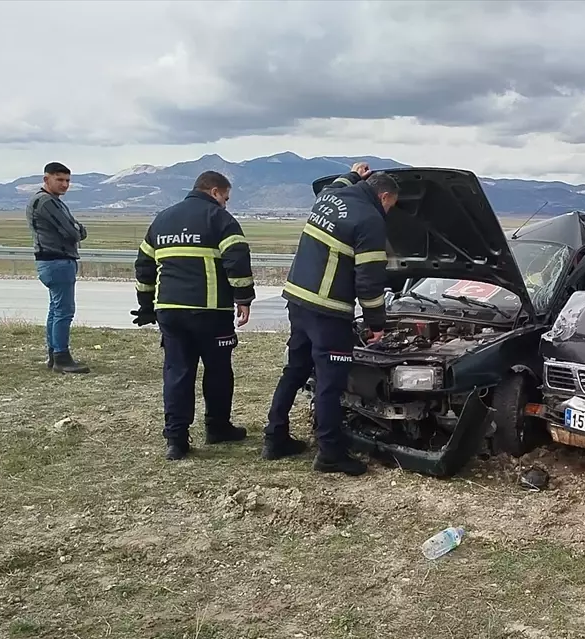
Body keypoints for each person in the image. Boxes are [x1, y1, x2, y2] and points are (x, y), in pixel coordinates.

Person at [263, 162, 397, 476]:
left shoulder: (329, 196)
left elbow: (338, 184)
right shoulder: (370, 219)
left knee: (295, 370)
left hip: (298, 301)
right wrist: (377, 324)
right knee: (329, 384)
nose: (389, 212)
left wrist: (352, 173)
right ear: (384, 196)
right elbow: (369, 282)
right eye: (391, 206)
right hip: (327, 311)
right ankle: (330, 454)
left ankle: (274, 437)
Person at [132, 171, 256, 460]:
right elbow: (237, 260)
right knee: (218, 371)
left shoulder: (162, 219)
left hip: (170, 312)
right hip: (211, 312)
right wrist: (244, 298)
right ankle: (217, 427)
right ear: (214, 192)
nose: (226, 203)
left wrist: (146, 305)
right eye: (225, 197)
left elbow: (144, 266)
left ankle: (176, 439)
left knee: (177, 373)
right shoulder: (221, 219)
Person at [27, 162, 90, 374]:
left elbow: (76, 229)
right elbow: (73, 232)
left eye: (67, 180)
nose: (64, 184)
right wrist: (76, 230)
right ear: (46, 179)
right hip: (57, 261)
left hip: (53, 261)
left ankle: (55, 355)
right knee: (64, 311)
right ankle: (61, 357)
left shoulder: (53, 202)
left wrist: (76, 229)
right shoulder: (46, 202)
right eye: (60, 179)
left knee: (56, 310)